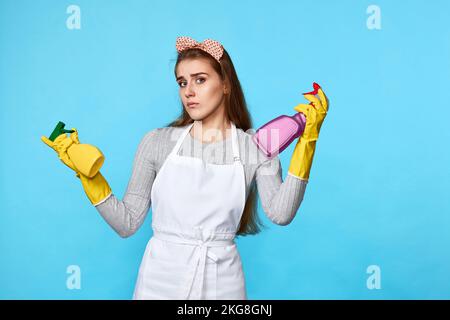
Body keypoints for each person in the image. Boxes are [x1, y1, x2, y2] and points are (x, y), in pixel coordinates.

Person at [41, 36, 328, 300]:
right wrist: (89, 176)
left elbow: (281, 213)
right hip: (159, 279)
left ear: (225, 84)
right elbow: (126, 224)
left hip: (223, 281)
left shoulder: (254, 147)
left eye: (200, 80)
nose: (189, 92)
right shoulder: (157, 142)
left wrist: (308, 141)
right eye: (182, 83)